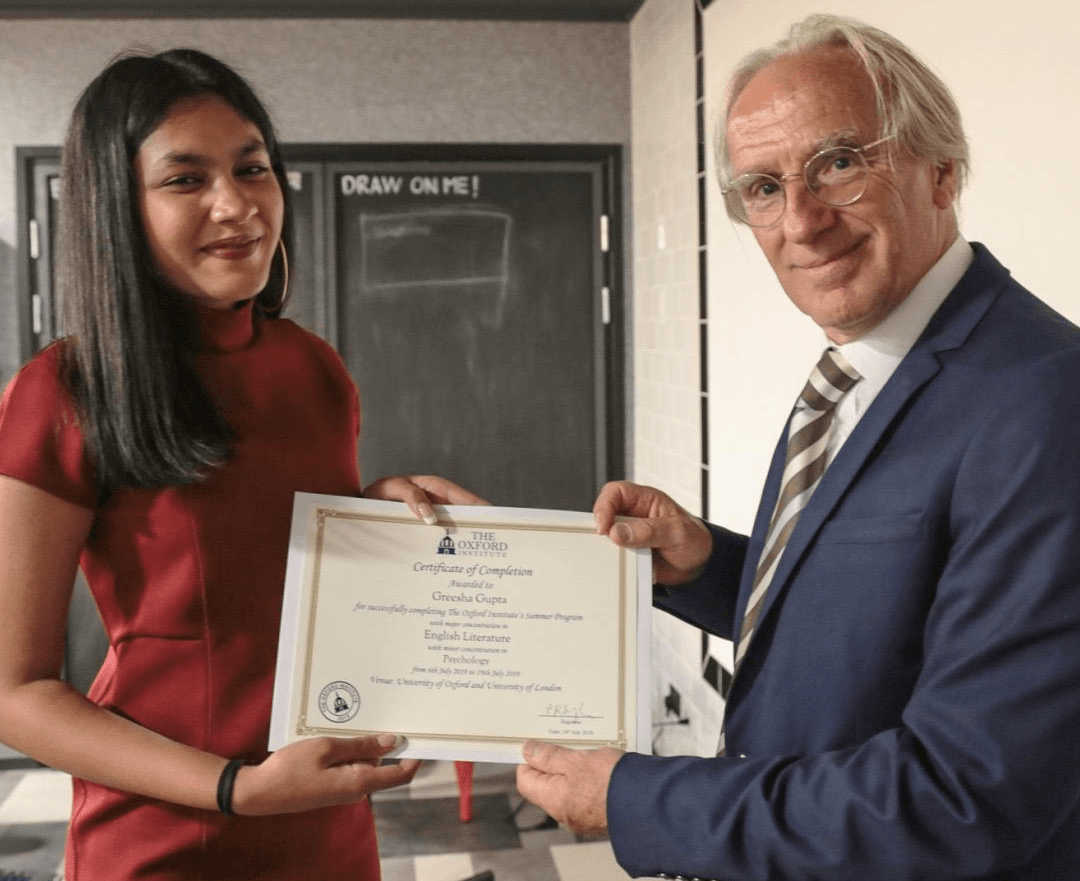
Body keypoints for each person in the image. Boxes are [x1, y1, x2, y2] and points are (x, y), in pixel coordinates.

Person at [517, 14, 1080, 881]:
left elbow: (967, 798)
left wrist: (638, 798)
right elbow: (885, 617)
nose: (802, 221)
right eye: (764, 189)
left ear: (941, 169)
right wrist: (705, 566)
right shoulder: (858, 366)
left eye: (840, 164)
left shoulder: (1044, 403)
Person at [0, 48, 481, 880]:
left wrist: (376, 512)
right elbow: (18, 691)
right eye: (186, 180)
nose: (238, 204)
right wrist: (236, 787)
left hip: (322, 809)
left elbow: (274, 565)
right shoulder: (62, 391)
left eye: (253, 168)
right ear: (117, 206)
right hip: (167, 829)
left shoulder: (313, 366)